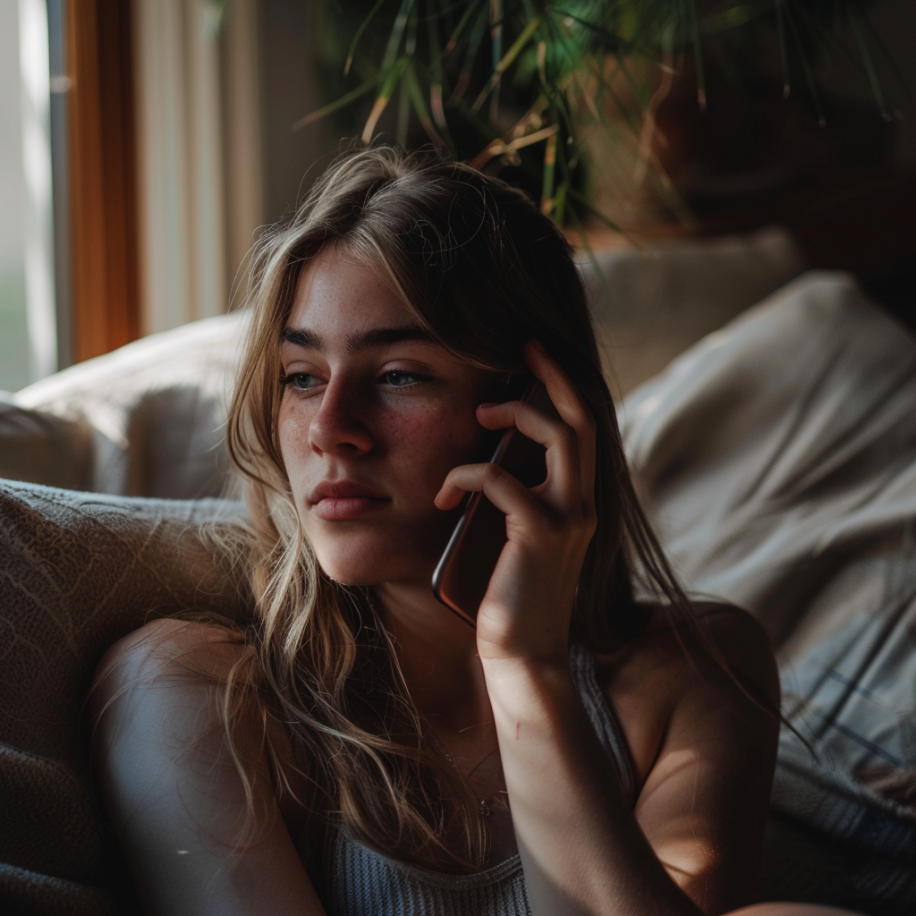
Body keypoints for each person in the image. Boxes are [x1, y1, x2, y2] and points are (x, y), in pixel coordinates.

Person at [90, 146, 861, 916]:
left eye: (399, 375)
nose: (329, 429)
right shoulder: (194, 696)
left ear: (538, 418)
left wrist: (525, 664)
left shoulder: (696, 673)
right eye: (302, 377)